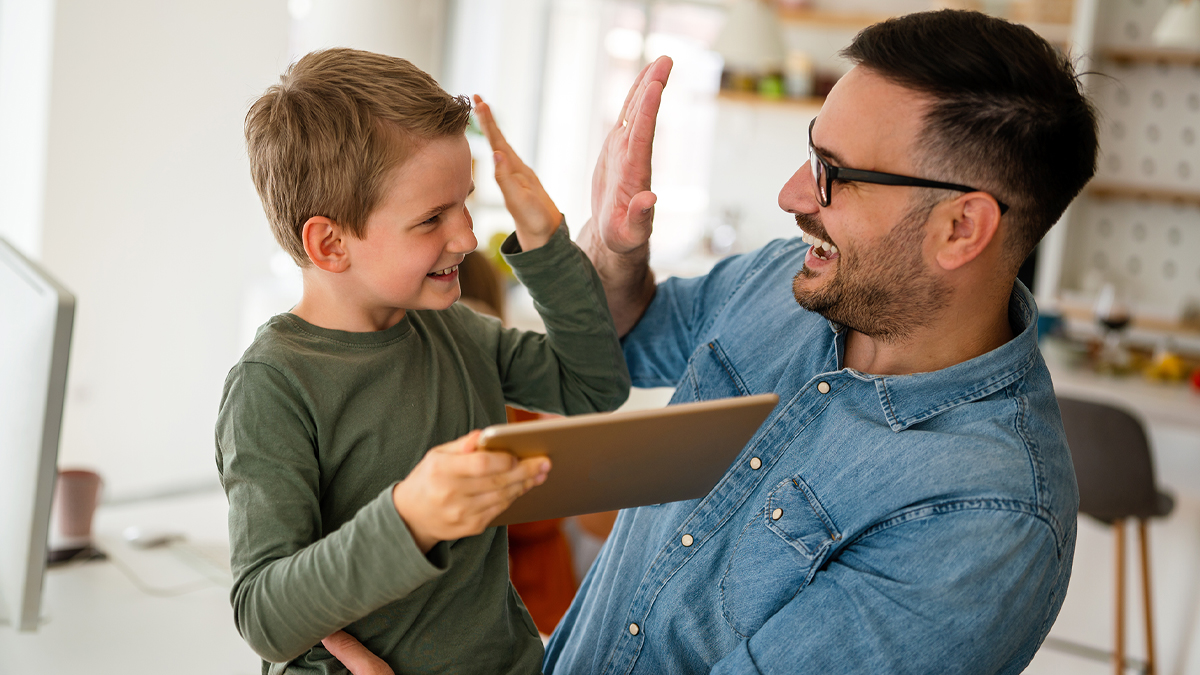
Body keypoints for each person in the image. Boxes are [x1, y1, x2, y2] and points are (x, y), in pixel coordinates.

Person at [545, 10, 1097, 674]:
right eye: (812, 153)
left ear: (960, 228)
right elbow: (621, 344)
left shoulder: (984, 516)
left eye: (832, 173)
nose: (791, 194)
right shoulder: (788, 278)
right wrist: (612, 252)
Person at [215, 48, 629, 674]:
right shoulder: (273, 386)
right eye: (432, 218)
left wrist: (544, 238)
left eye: (464, 201)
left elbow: (594, 385)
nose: (465, 237)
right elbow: (265, 615)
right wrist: (410, 518)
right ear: (329, 243)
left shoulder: (454, 330)